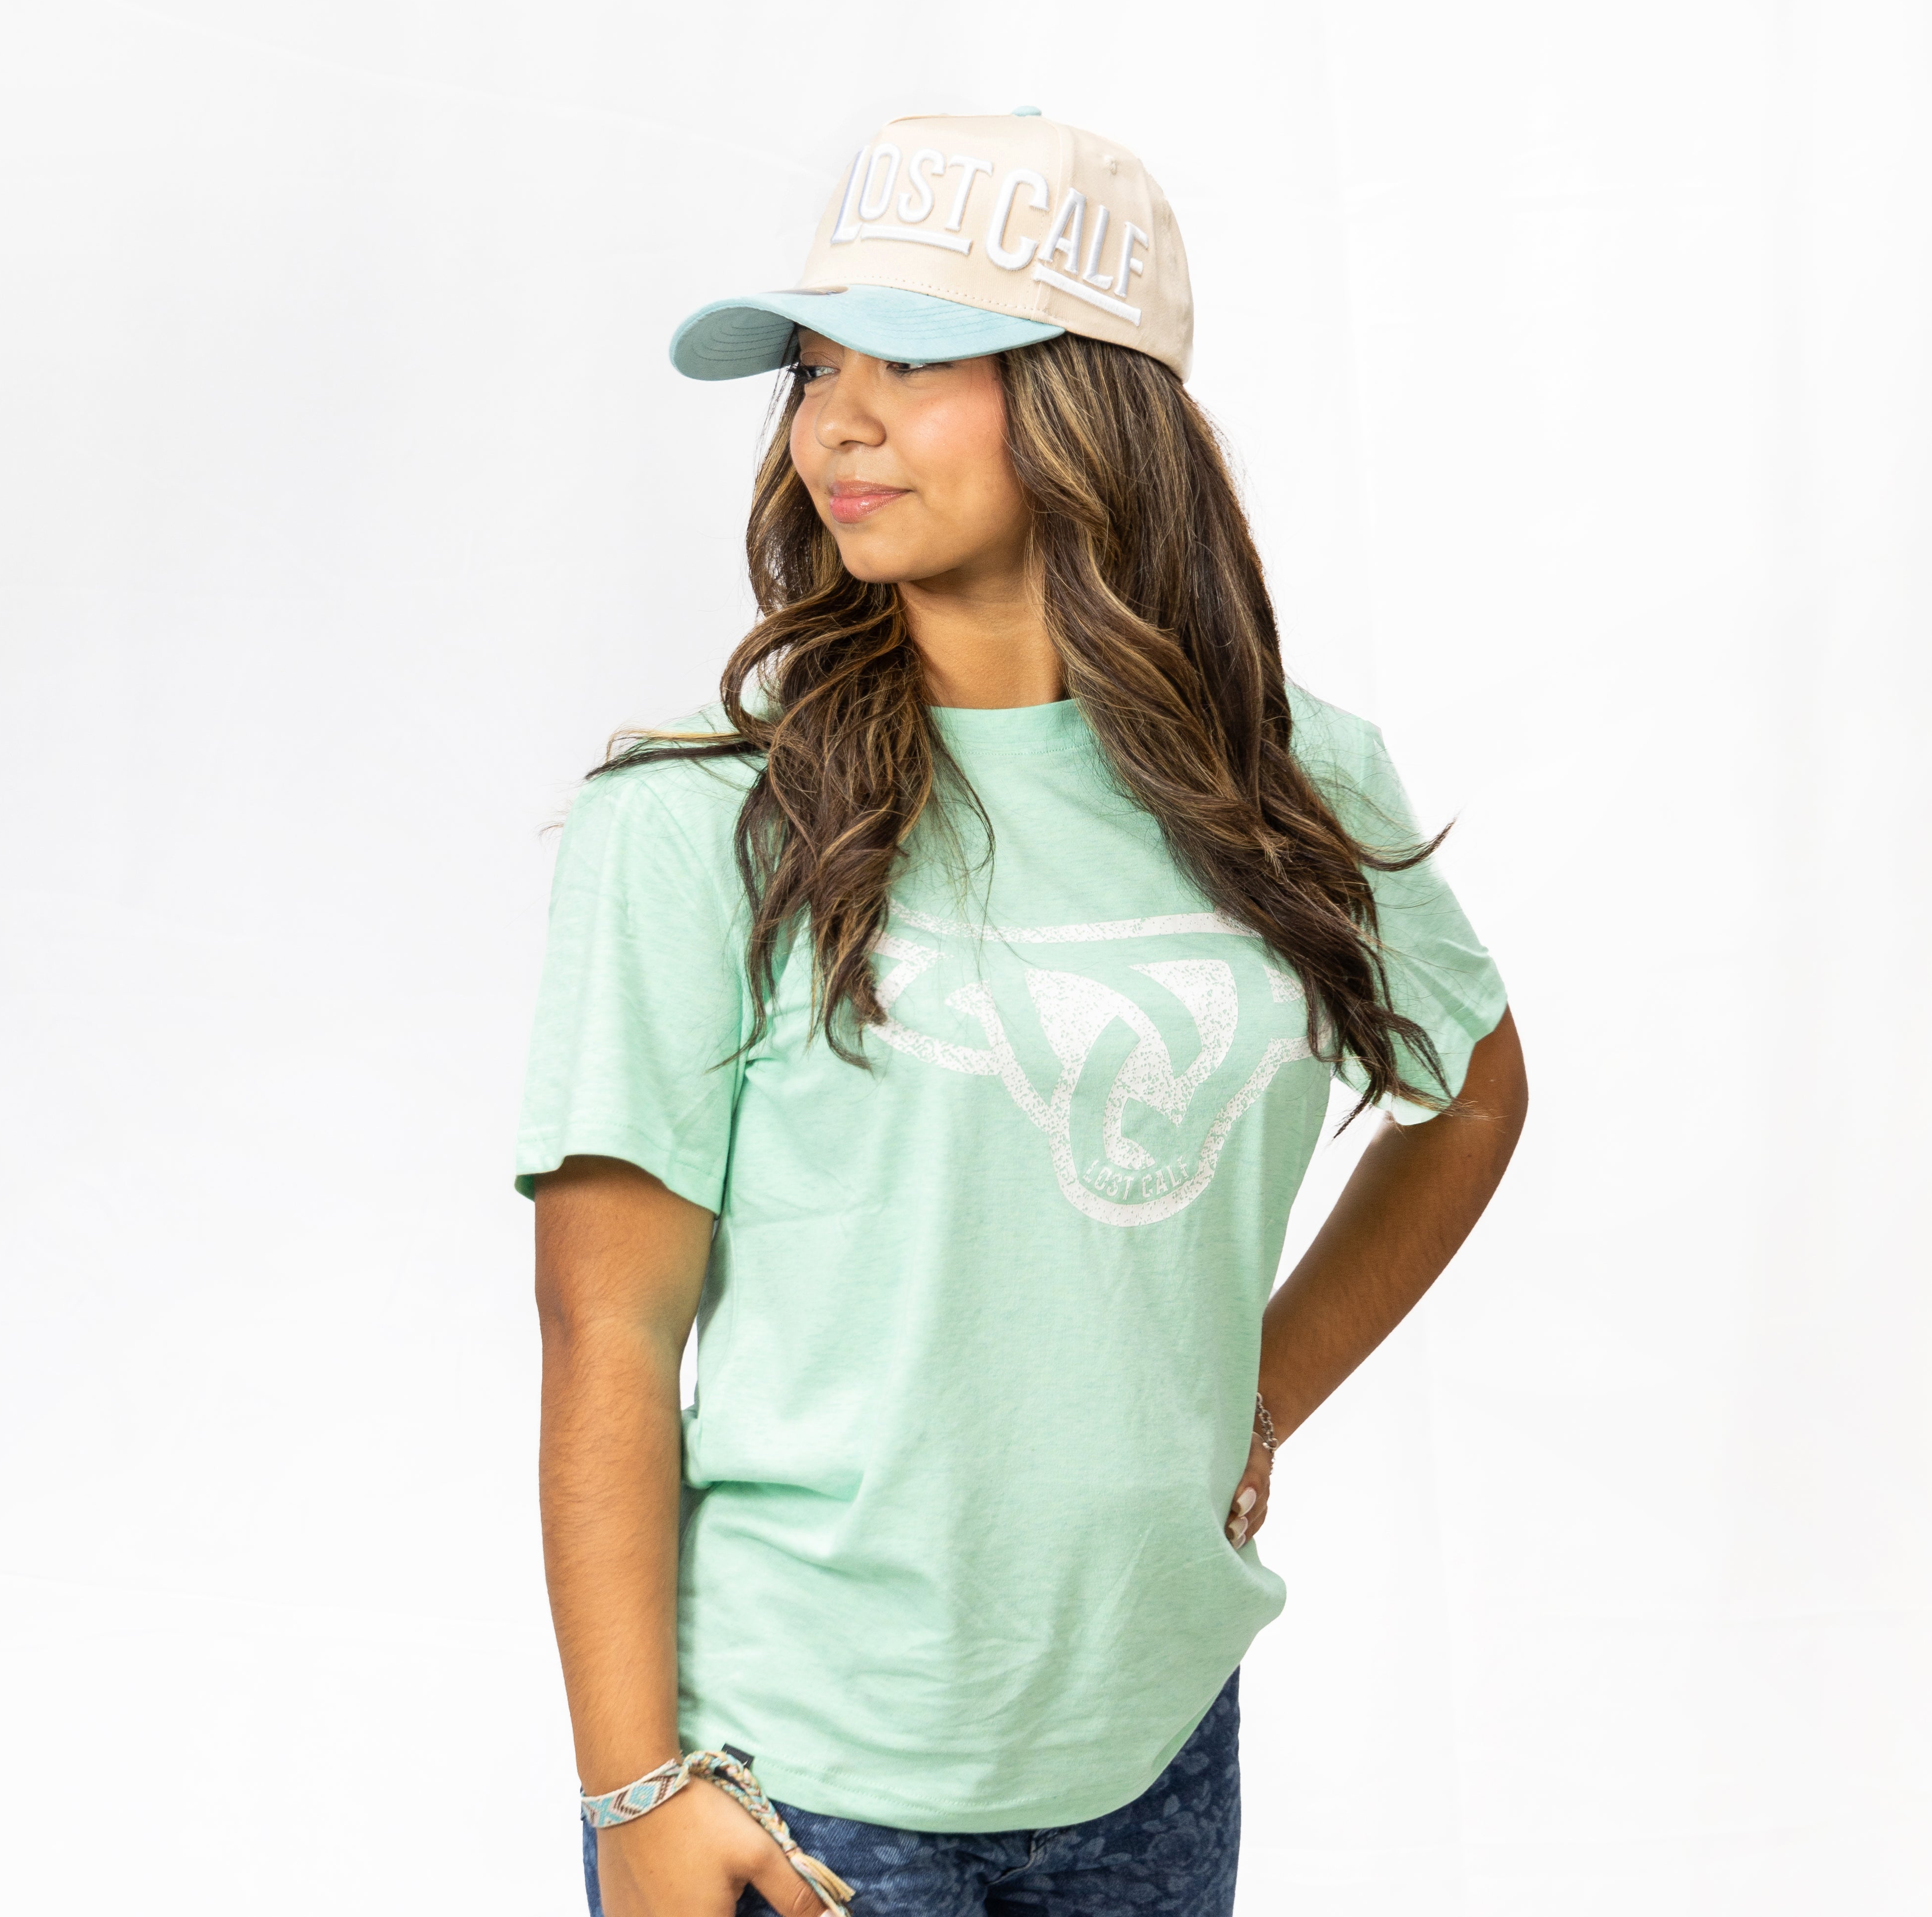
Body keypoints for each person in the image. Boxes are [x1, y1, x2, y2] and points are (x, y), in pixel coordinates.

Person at [516, 109, 1528, 1917]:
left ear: (1090, 400)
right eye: (815, 368)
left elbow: (1468, 1094)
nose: (834, 421)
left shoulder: (1293, 780)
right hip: (796, 1776)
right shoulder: (698, 819)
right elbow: (607, 1326)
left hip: (1152, 1739)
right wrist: (632, 1789)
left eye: (910, 361)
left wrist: (1261, 1397)